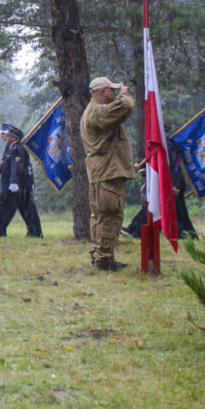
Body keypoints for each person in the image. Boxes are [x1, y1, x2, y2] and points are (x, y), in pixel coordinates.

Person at [79, 77, 136, 271]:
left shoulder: (93, 111)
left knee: (100, 216)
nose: (114, 93)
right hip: (108, 171)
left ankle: (101, 256)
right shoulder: (99, 111)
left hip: (101, 171)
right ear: (103, 92)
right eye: (112, 90)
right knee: (111, 215)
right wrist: (125, 93)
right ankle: (103, 259)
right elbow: (126, 107)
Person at [123, 127, 197, 239]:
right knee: (156, 207)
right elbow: (155, 162)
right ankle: (135, 228)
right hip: (164, 182)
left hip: (172, 182)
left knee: (173, 211)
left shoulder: (169, 146)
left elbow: (170, 167)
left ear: (165, 133)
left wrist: (173, 185)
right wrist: (144, 169)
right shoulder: (161, 145)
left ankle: (137, 231)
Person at [0, 123, 40, 238]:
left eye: (6, 135)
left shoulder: (18, 149)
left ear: (14, 137)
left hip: (19, 186)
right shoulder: (9, 148)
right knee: (4, 207)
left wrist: (14, 182)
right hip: (9, 185)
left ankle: (32, 232)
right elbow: (6, 164)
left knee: (24, 210)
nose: (4, 138)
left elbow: (17, 167)